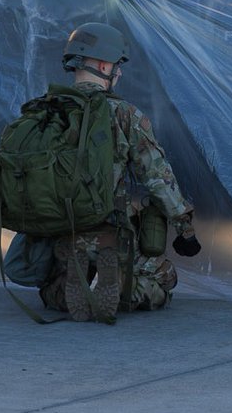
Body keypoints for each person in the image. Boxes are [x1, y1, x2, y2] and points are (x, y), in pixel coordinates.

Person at [40, 22, 198, 322]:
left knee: (48, 291)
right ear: (103, 65)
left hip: (60, 235)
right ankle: (124, 285)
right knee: (165, 281)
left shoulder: (47, 111)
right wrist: (185, 231)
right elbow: (159, 179)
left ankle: (71, 286)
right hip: (113, 233)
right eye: (116, 66)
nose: (120, 73)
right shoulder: (126, 115)